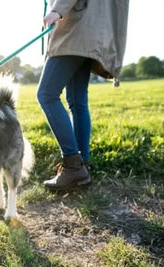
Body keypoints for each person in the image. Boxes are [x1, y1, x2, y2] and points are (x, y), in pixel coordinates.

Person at [37, 0, 129, 190]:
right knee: (77, 102)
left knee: (47, 94)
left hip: (75, 31)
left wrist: (57, 10)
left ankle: (73, 166)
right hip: (91, 31)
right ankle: (83, 168)